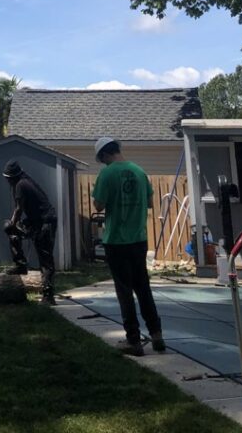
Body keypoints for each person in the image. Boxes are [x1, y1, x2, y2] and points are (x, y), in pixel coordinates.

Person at [92, 136, 165, 356]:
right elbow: (151, 203)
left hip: (116, 240)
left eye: (102, 160)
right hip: (139, 239)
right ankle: (157, 335)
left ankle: (133, 340)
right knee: (143, 287)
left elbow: (99, 204)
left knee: (124, 291)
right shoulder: (140, 172)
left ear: (105, 155)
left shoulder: (107, 173)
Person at [2, 159, 57, 304]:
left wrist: (13, 223)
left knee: (45, 259)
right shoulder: (25, 180)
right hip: (36, 221)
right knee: (11, 231)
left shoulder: (20, 184)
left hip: (45, 223)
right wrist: (14, 226)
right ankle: (20, 265)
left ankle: (48, 295)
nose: (7, 182)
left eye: (7, 179)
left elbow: (19, 209)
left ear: (12, 177)